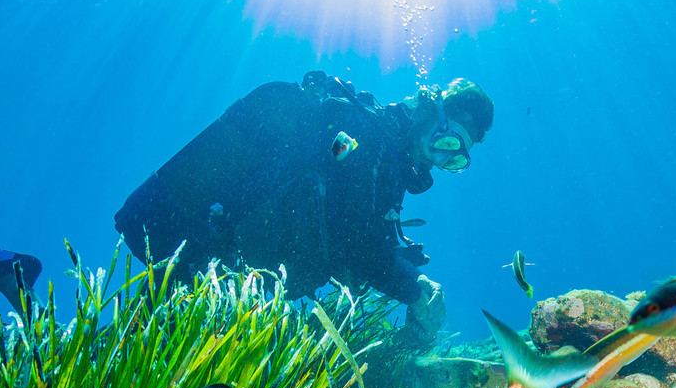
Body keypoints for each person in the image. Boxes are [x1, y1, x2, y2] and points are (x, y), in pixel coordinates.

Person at [113, 71, 493, 345]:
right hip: (214, 255)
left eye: (457, 161)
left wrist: (405, 272)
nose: (442, 160)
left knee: (144, 339)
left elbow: (351, 228)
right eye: (449, 142)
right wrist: (414, 285)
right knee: (146, 342)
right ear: (433, 115)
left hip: (228, 275)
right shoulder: (362, 138)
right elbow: (354, 243)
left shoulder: (382, 157)